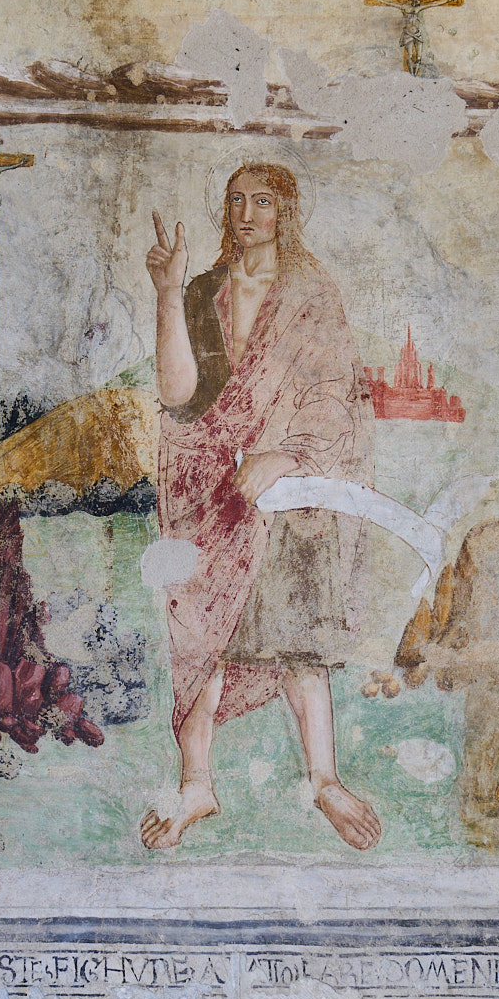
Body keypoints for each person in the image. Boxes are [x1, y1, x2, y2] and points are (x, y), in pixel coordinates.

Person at [142, 164, 382, 851]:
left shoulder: (311, 295)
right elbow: (179, 394)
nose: (247, 213)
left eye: (263, 201)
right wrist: (167, 293)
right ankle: (196, 784)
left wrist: (287, 455)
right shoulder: (203, 289)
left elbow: (336, 393)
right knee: (204, 636)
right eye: (237, 201)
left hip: (288, 492)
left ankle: (324, 778)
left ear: (287, 211)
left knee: (296, 636)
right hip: (207, 486)